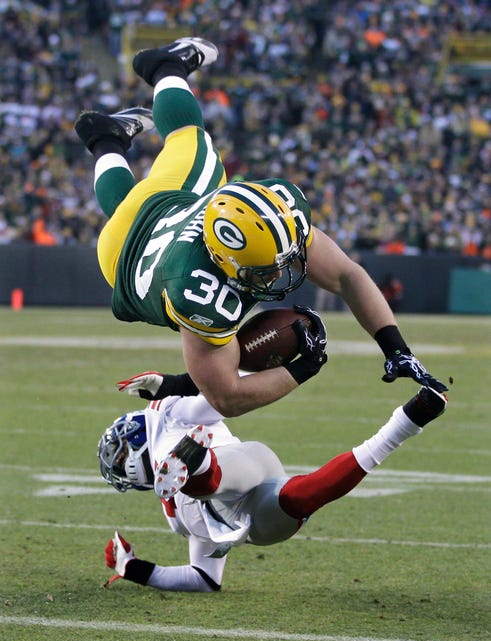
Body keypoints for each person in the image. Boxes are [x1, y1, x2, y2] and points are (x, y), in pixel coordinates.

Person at [74, 36, 447, 418]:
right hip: (125, 256)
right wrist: (304, 368)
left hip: (142, 230)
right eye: (266, 269)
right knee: (170, 156)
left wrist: (397, 349)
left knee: (159, 173)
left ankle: (116, 126)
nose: (281, 273)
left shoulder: (273, 220)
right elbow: (226, 396)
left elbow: (347, 276)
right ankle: (154, 79)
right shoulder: (198, 292)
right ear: (225, 260)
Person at [99, 384, 447, 593]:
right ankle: (409, 421)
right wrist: (133, 569)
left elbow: (219, 395)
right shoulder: (175, 516)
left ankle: (198, 465)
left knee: (214, 473)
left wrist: (166, 383)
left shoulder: (171, 410)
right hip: (249, 520)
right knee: (304, 495)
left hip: (246, 467)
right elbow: (204, 578)